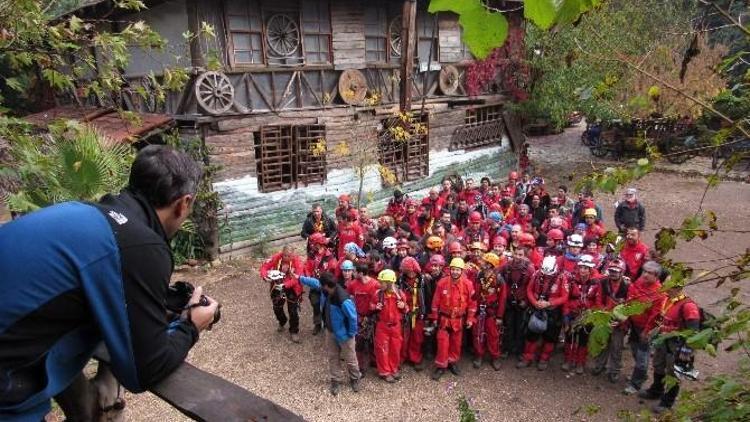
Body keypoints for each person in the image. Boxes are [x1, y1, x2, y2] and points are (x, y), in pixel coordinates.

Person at [0, 145, 219, 421]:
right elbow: (144, 371)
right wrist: (191, 325)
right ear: (183, 203)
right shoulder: (141, 244)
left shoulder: (86, 212)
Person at [638, 280, 700, 413]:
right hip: (663, 340)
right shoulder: (667, 299)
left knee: (673, 374)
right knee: (658, 365)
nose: (663, 287)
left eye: (668, 286)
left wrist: (687, 350)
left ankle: (667, 403)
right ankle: (656, 390)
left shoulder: (688, 306)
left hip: (677, 345)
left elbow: (694, 330)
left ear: (677, 288)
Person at [299, 272, 360, 395]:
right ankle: (335, 379)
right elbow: (315, 282)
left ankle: (355, 378)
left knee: (350, 359)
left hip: (345, 335)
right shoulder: (327, 290)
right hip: (330, 331)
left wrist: (351, 334)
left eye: (322, 285)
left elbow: (353, 317)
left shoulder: (343, 299)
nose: (320, 287)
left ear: (326, 285)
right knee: (333, 357)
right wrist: (299, 278)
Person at [622, 261, 667, 395]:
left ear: (657, 276)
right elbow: (630, 300)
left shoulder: (659, 294)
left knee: (642, 357)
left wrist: (647, 332)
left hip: (646, 329)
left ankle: (635, 384)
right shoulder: (638, 283)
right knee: (635, 349)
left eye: (649, 273)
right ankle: (640, 375)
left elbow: (655, 316)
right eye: (644, 271)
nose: (645, 275)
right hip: (634, 324)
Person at [517, 256, 569, 370]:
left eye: (549, 274)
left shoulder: (562, 278)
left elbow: (565, 296)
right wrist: (534, 302)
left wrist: (549, 303)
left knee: (550, 337)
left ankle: (544, 359)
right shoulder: (536, 275)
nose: (546, 276)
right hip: (536, 308)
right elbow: (529, 290)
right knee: (531, 334)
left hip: (552, 311)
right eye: (544, 273)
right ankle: (527, 357)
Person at [429, 258, 477, 381]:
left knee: (456, 343)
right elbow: (435, 301)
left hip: (459, 320)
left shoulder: (468, 284)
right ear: (450, 270)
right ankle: (441, 366)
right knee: (442, 343)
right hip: (444, 319)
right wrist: (434, 318)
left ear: (462, 271)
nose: (455, 272)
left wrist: (470, 319)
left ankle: (452, 362)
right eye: (453, 269)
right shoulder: (442, 283)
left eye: (457, 270)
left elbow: (472, 303)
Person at [591, 259, 631, 382]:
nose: (613, 273)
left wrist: (621, 321)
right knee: (603, 343)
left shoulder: (628, 286)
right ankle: (599, 365)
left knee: (616, 347)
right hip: (605, 317)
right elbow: (598, 300)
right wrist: (604, 316)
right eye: (611, 271)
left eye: (616, 271)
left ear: (622, 272)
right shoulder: (603, 282)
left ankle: (614, 371)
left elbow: (630, 306)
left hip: (619, 322)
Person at [259, 245, 305, 342]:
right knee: (277, 307)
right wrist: (264, 276)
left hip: (292, 287)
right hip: (277, 284)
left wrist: (285, 285)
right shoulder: (277, 257)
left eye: (288, 256)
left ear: (293, 255)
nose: (286, 258)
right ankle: (282, 321)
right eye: (284, 255)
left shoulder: (298, 262)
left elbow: (297, 278)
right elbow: (264, 266)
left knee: (293, 311)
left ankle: (294, 331)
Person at [561, 255, 598, 374]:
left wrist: (591, 313)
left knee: (583, 339)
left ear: (590, 269)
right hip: (572, 314)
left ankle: (580, 362)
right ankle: (568, 360)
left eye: (586, 268)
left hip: (587, 316)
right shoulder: (571, 281)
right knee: (569, 338)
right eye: (581, 267)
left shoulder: (596, 283)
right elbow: (565, 299)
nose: (583, 270)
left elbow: (597, 300)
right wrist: (566, 316)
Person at [370, 270, 407, 383]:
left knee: (395, 348)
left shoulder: (399, 294)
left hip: (396, 326)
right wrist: (375, 307)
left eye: (382, 282)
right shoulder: (378, 294)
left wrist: (403, 306)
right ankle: (385, 371)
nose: (379, 284)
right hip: (382, 326)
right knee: (382, 349)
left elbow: (406, 309)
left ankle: (393, 368)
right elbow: (370, 305)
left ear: (389, 283)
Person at [472, 253, 506, 370]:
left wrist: (499, 316)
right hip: (479, 310)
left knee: (493, 335)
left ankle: (495, 356)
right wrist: (473, 311)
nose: (481, 262)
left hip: (492, 312)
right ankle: (479, 355)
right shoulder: (479, 276)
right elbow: (475, 294)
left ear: (490, 265)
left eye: (484, 261)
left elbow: (502, 299)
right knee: (478, 334)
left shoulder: (499, 279)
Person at [398, 257, 432, 371]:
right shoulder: (401, 280)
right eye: (407, 271)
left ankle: (415, 358)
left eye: (412, 271)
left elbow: (428, 297)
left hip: (418, 313)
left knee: (417, 338)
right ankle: (402, 358)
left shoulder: (423, 280)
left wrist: (427, 314)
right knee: (403, 337)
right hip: (404, 313)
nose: (410, 273)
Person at [346, 262, 380, 375]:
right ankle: (360, 366)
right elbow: (349, 298)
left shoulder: (375, 284)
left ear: (361, 273)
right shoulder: (352, 284)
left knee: (373, 341)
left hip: (373, 317)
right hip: (359, 317)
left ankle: (374, 361)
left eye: (354, 271)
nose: (352, 273)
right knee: (359, 343)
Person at [304, 233, 338, 335]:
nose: (312, 245)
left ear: (318, 243)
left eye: (313, 243)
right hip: (315, 285)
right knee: (315, 303)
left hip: (326, 286)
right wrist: (309, 277)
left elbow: (334, 271)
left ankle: (327, 324)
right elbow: (307, 267)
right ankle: (317, 324)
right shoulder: (311, 255)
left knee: (326, 306)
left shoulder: (329, 256)